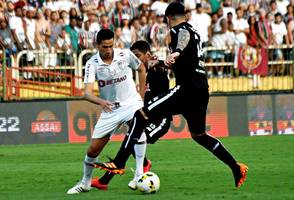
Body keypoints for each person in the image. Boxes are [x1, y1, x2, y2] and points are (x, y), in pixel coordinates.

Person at [96, 2, 248, 189]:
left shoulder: (180, 30)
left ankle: (119, 162)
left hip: (187, 89)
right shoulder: (195, 32)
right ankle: (236, 167)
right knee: (199, 135)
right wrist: (160, 61)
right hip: (201, 89)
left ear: (169, 18)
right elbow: (182, 60)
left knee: (140, 114)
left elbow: (182, 38)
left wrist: (175, 51)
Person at [66, 29, 147, 194]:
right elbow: (87, 93)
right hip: (110, 110)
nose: (109, 50)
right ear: (97, 45)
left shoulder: (125, 55)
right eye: (105, 47)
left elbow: (142, 69)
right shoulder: (92, 63)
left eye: (111, 46)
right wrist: (101, 101)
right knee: (93, 150)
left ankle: (139, 174)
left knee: (138, 128)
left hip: (131, 103)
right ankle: (85, 183)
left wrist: (141, 96)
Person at [91, 40, 172, 190]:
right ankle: (133, 170)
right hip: (145, 116)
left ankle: (107, 179)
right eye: (133, 56)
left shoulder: (157, 71)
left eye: (138, 56)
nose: (136, 59)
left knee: (132, 139)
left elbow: (169, 68)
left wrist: (159, 62)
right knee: (132, 139)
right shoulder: (140, 72)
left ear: (148, 55)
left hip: (160, 119)